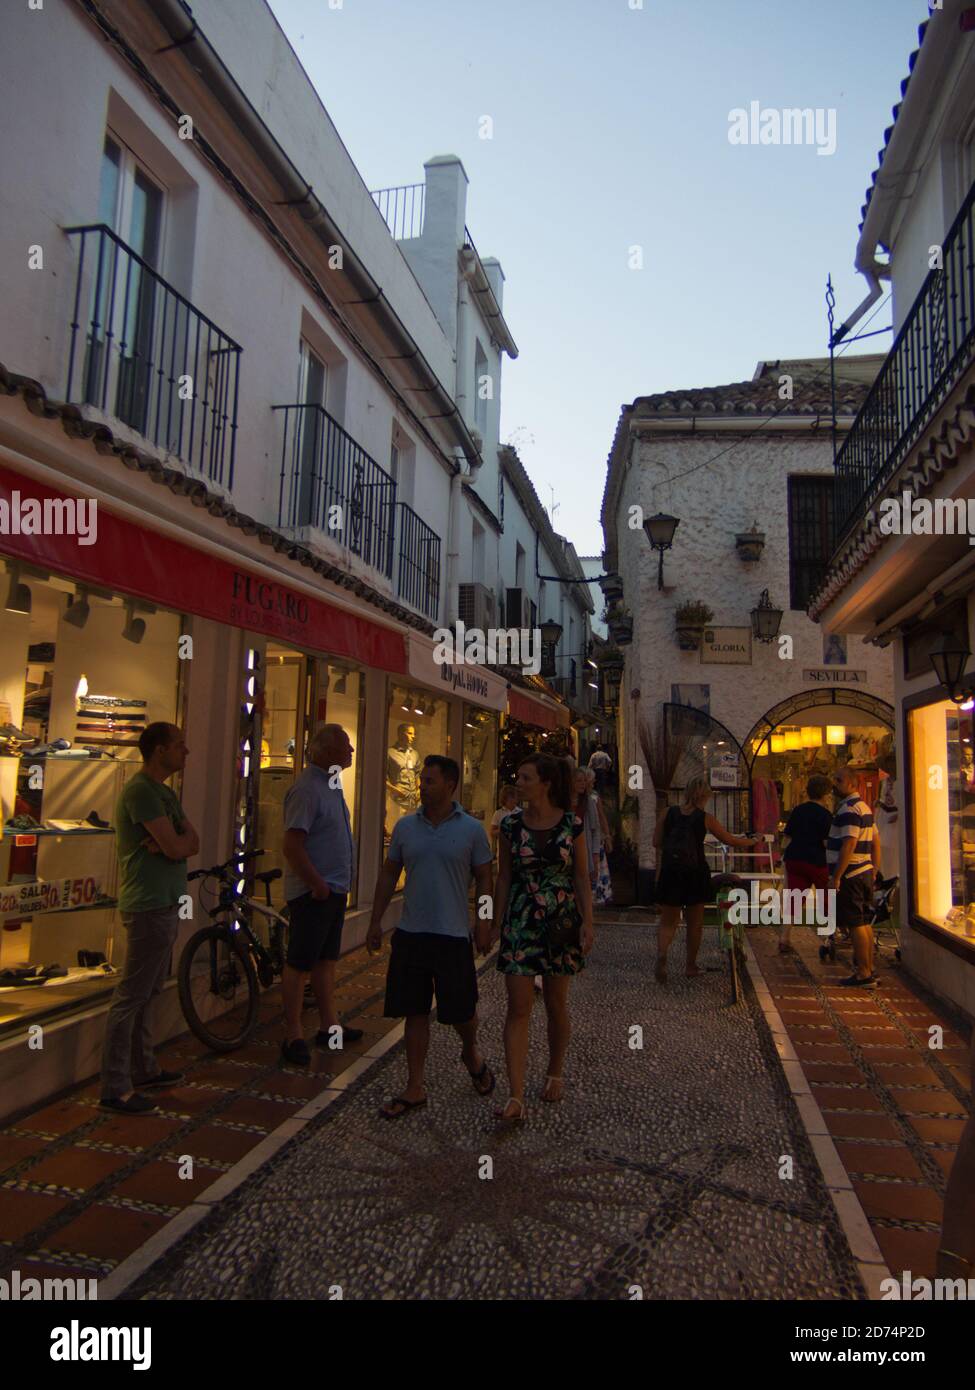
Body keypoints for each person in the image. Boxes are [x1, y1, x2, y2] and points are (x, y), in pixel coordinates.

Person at [366, 755, 495, 1119]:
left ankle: (470, 1051)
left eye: (430, 780)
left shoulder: (471, 830)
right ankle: (415, 1085)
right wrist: (375, 921)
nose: (422, 785)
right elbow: (389, 874)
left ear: (450, 785)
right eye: (422, 779)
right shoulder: (406, 828)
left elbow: (486, 878)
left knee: (461, 1012)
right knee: (414, 1011)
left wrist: (484, 922)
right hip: (411, 933)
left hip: (453, 935)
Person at [99, 723, 199, 1114]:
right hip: (148, 904)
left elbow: (191, 842)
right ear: (159, 751)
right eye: (179, 745)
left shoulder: (164, 794)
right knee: (132, 995)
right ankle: (115, 1086)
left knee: (149, 990)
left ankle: (144, 1067)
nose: (186, 751)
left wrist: (172, 846)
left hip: (166, 901)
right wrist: (172, 846)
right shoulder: (141, 792)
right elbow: (177, 847)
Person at [492, 754, 594, 1128]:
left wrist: (588, 922)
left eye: (524, 776)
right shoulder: (510, 826)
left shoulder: (572, 825)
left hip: (560, 922)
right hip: (521, 920)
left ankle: (555, 1070)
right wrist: (493, 920)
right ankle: (515, 1093)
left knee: (555, 1002)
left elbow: (582, 877)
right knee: (517, 1005)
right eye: (519, 776)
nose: (518, 782)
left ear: (545, 783)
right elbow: (503, 877)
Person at [280, 724, 363, 1065]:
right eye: (346, 745)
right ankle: (292, 1033)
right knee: (299, 963)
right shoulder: (307, 789)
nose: (351, 752)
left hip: (333, 890)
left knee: (326, 961)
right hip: (315, 892)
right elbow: (292, 843)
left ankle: (330, 1027)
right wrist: (316, 883)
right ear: (326, 751)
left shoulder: (331, 785)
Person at [653, 775, 760, 984]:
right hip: (695, 873)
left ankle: (662, 955)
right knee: (695, 923)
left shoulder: (668, 813)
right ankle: (690, 966)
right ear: (706, 796)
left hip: (670, 872)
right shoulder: (705, 818)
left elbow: (656, 842)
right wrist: (753, 841)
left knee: (668, 921)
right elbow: (730, 840)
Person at [827, 764, 880, 987]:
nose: (834, 785)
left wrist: (837, 876)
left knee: (856, 923)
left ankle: (863, 972)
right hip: (864, 871)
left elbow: (850, 842)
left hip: (852, 874)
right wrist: (874, 869)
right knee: (864, 922)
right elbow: (876, 841)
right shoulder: (864, 808)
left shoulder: (849, 809)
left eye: (838, 780)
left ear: (850, 783)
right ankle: (868, 967)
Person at [778, 773, 833, 953]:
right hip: (816, 860)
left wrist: (782, 857)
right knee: (827, 897)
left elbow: (787, 837)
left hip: (794, 858)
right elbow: (826, 842)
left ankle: (784, 937)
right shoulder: (826, 815)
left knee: (793, 899)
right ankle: (832, 934)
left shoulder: (798, 810)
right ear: (825, 794)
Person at [386, 722, 420, 819]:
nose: (413, 736)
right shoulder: (389, 753)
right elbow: (381, 778)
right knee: (396, 830)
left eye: (414, 734)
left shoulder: (415, 754)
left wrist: (419, 790)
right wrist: (394, 789)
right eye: (409, 733)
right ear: (400, 734)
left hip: (413, 802)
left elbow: (417, 774)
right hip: (397, 802)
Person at [490, 784, 520, 858]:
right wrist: (503, 829)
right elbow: (492, 832)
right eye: (509, 797)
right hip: (502, 851)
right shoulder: (498, 813)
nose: (512, 799)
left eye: (513, 797)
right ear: (504, 799)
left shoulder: (520, 812)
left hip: (518, 851)